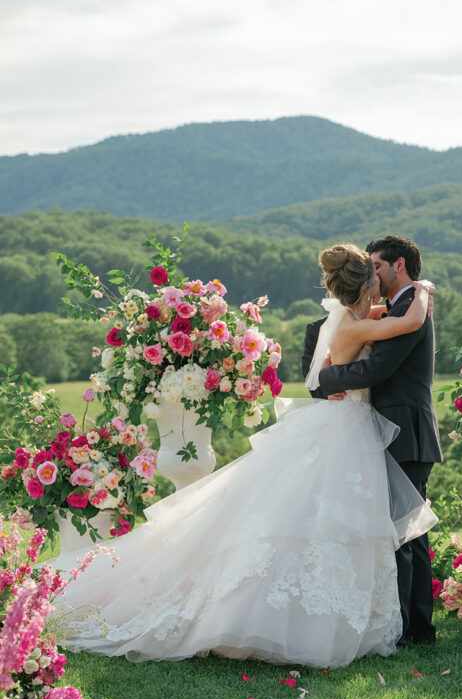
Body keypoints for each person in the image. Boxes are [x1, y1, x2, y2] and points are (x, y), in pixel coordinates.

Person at [52, 243, 437, 669]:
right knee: (329, 523)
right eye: (375, 275)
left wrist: (336, 366)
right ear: (366, 284)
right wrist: (423, 290)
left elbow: (382, 333)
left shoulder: (357, 319)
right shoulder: (356, 324)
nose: (380, 280)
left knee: (335, 524)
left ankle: (376, 615)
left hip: (355, 429)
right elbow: (408, 324)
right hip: (349, 430)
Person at [318, 235, 442, 646]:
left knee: (404, 533)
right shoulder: (389, 309)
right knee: (405, 532)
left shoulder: (409, 306)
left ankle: (409, 628)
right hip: (384, 430)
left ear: (399, 265)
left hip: (404, 432)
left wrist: (327, 378)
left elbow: (378, 369)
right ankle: (414, 628)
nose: (373, 272)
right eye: (368, 267)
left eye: (377, 264)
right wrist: (325, 378)